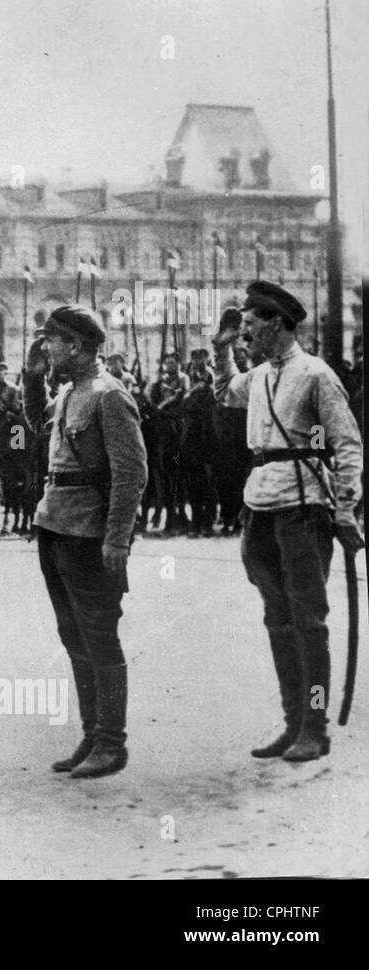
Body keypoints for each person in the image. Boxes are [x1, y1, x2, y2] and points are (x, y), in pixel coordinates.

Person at [212, 281, 363, 763]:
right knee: (277, 619)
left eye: (251, 325)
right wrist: (220, 352)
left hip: (303, 507)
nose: (245, 335)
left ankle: (314, 728)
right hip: (259, 505)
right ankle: (294, 720)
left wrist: (344, 508)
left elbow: (346, 445)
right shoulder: (257, 377)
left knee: (308, 621)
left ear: (276, 322)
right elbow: (223, 392)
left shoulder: (316, 374)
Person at [23, 307, 148, 779]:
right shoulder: (69, 392)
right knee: (72, 634)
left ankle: (112, 744)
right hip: (55, 524)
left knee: (98, 635)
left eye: (50, 342)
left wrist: (117, 539)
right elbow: (35, 424)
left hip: (90, 533)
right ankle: (92, 733)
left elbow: (131, 473)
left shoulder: (108, 396)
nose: (45, 349)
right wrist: (33, 379)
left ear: (75, 345)